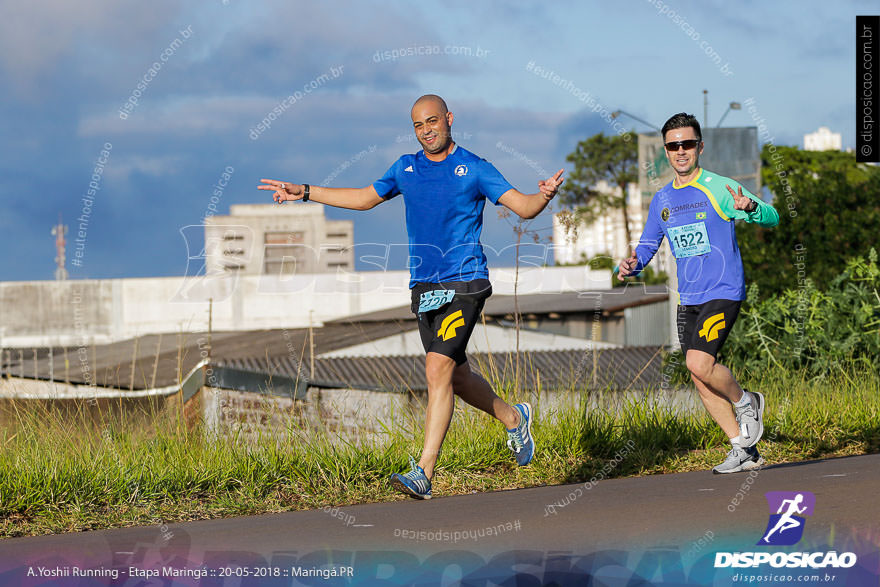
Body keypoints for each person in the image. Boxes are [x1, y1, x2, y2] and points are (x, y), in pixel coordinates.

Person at [259, 94, 564, 498]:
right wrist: (306, 191)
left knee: (436, 369)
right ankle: (513, 418)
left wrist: (543, 195)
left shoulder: (474, 168)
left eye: (433, 122)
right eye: (419, 125)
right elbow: (365, 198)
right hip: (424, 287)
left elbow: (523, 207)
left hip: (465, 282)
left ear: (449, 119)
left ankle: (424, 471)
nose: (427, 131)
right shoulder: (405, 168)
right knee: (455, 374)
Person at [618, 112, 779, 474]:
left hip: (723, 290)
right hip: (688, 299)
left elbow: (773, 216)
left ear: (700, 147)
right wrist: (630, 264)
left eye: (687, 144)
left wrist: (750, 208)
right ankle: (744, 449)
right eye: (674, 146)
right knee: (698, 375)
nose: (681, 151)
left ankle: (747, 400)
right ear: (665, 151)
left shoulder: (719, 187)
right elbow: (646, 246)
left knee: (698, 362)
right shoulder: (661, 199)